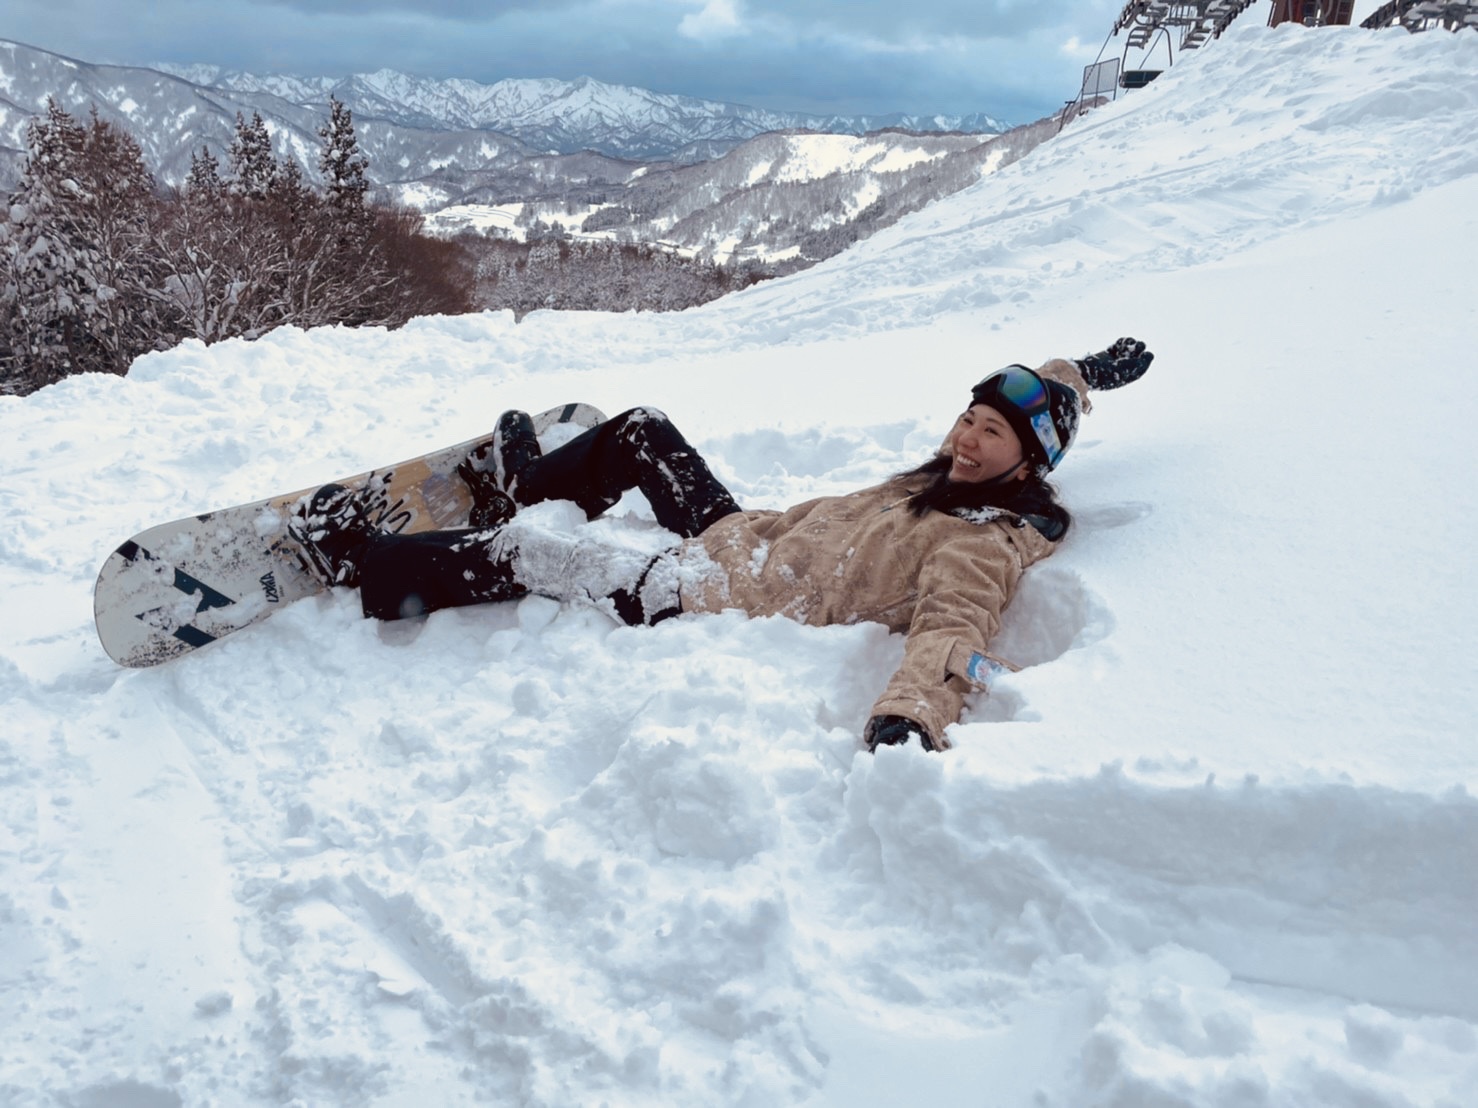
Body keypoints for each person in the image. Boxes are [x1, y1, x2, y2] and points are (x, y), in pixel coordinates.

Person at [291, 338, 1153, 752]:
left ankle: (363, 563)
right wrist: (1085, 373)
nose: (966, 438)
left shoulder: (981, 538)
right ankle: (540, 483)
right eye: (968, 417)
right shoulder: (960, 473)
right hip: (742, 538)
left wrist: (910, 716)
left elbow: (953, 634)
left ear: (1025, 461)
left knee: (538, 558)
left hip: (708, 591)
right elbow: (1043, 398)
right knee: (642, 430)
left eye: (992, 434)